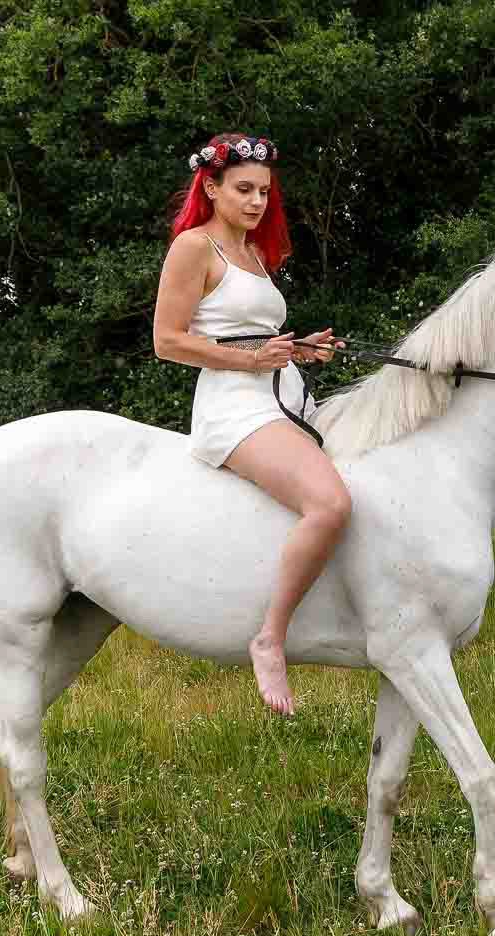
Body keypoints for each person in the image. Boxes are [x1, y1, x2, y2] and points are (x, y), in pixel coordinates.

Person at [151, 132, 350, 716]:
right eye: (243, 189)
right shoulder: (194, 248)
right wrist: (252, 360)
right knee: (330, 505)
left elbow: (253, 337)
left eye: (264, 191)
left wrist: (299, 349)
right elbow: (167, 341)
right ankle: (270, 638)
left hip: (281, 395)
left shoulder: (255, 254)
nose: (257, 201)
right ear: (211, 188)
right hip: (234, 406)